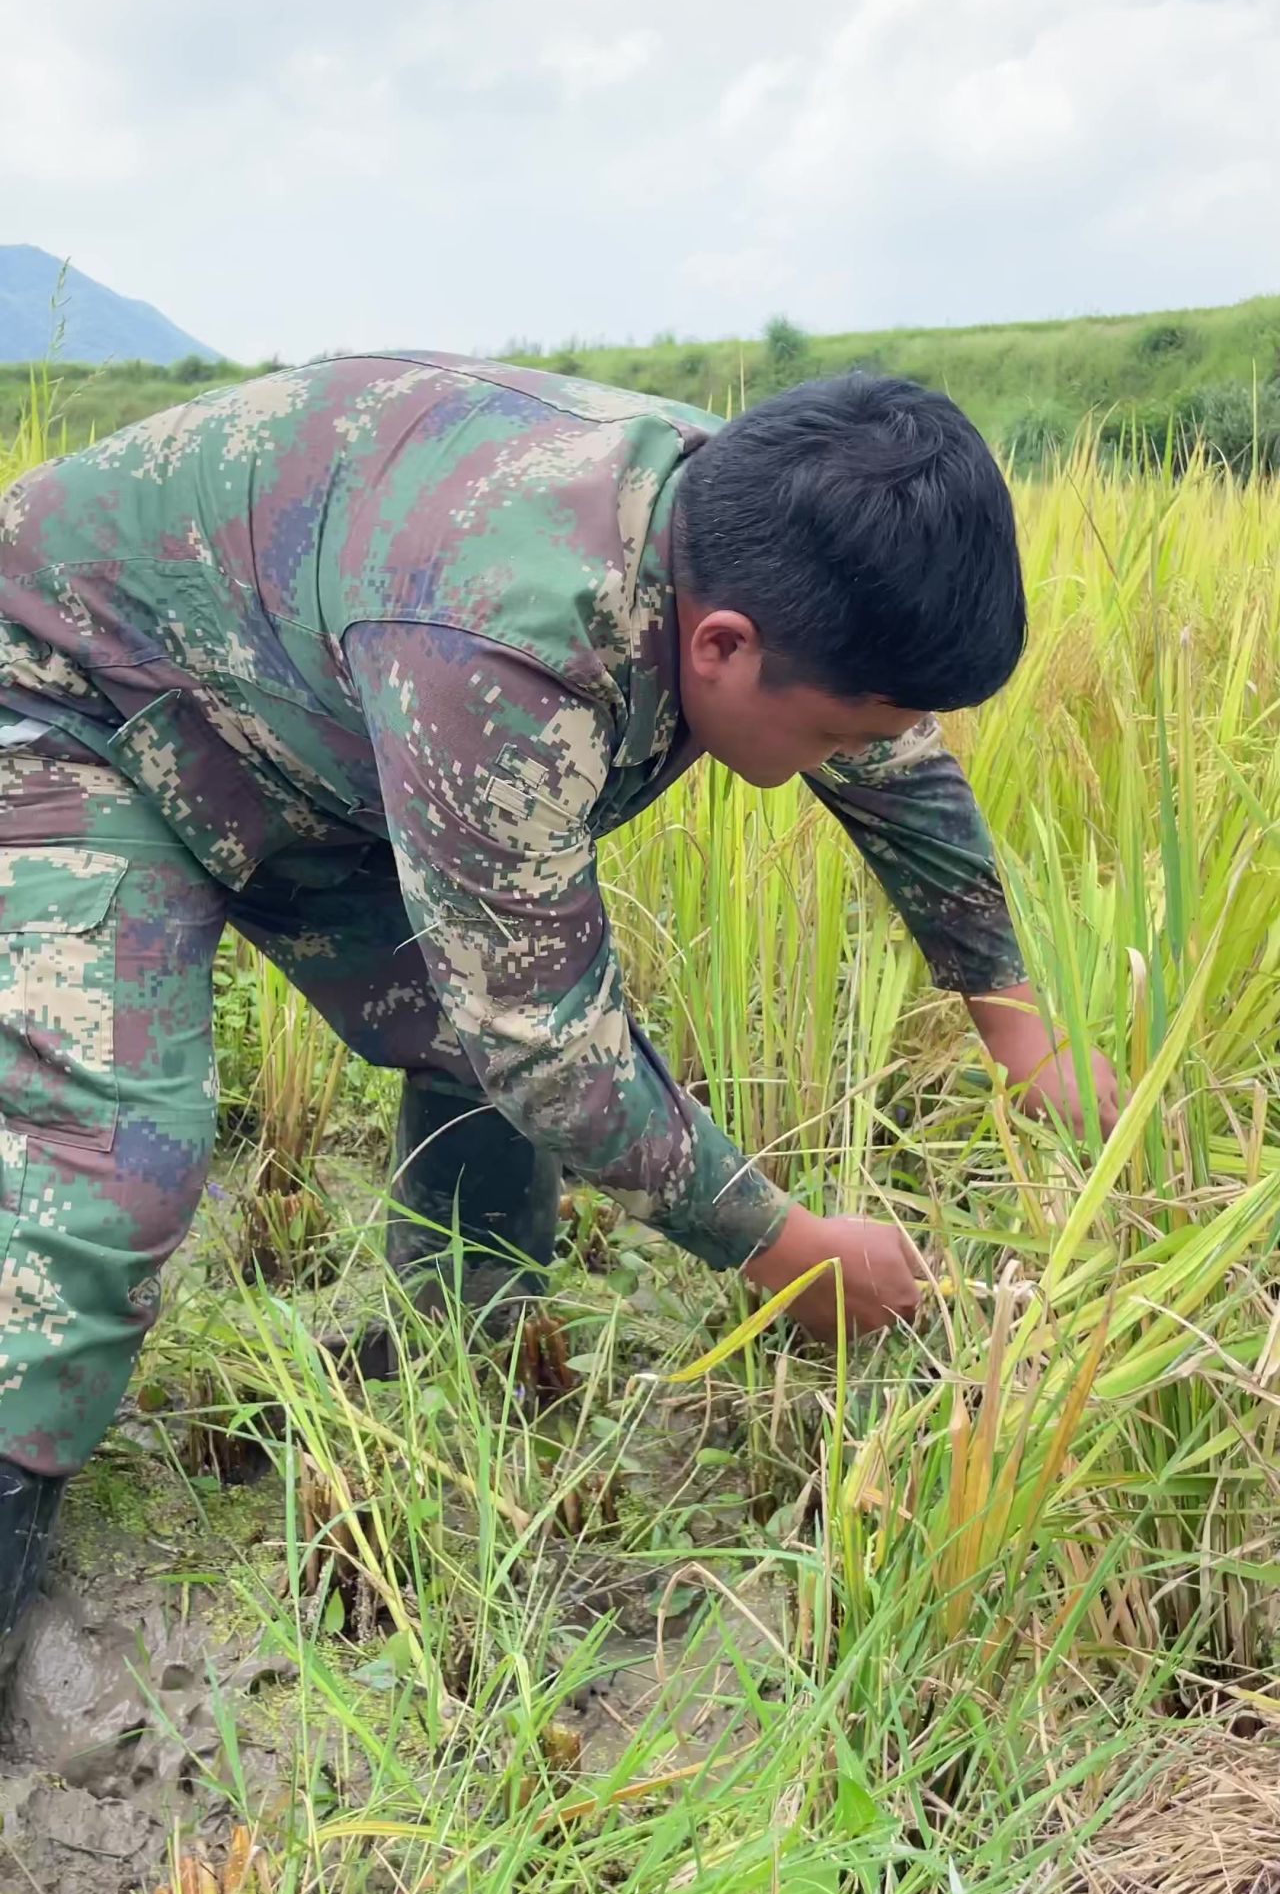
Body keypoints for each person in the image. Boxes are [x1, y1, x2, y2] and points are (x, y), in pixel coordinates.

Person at [0, 352, 1119, 1655]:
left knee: (462, 1029)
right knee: (115, 1165)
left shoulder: (765, 534)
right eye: (823, 737)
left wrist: (1023, 1040)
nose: (836, 762)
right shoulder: (509, 640)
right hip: (72, 691)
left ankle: (467, 1359)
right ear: (723, 648)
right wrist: (783, 1249)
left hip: (307, 714)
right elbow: (550, 1044)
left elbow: (900, 763)